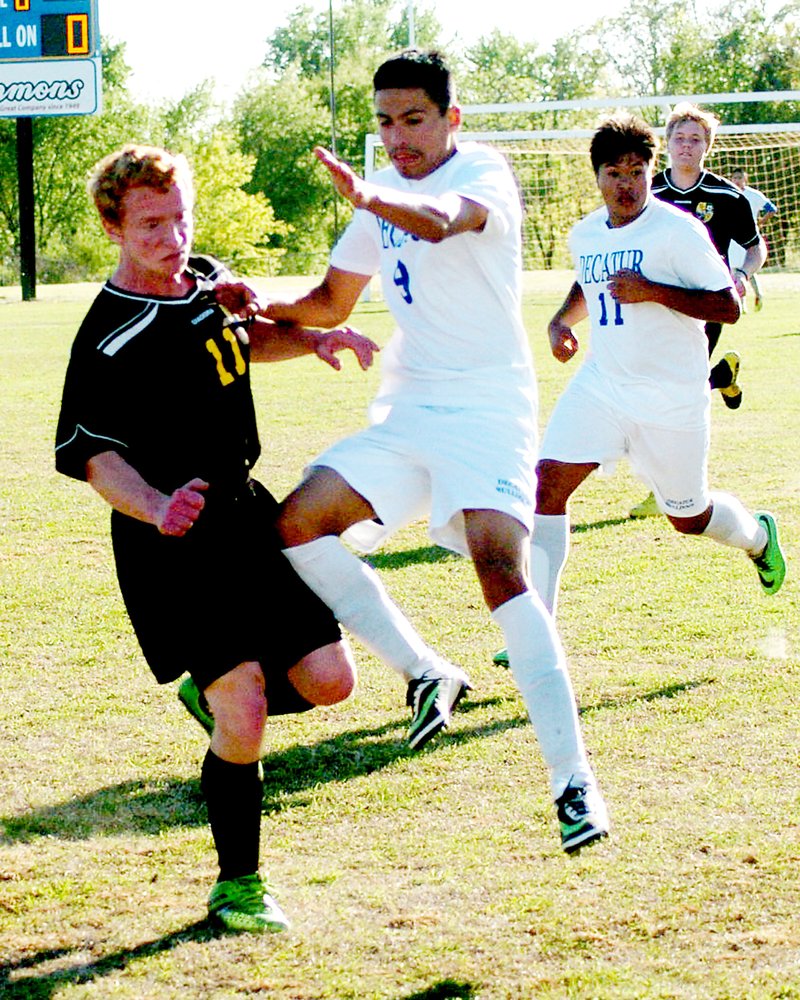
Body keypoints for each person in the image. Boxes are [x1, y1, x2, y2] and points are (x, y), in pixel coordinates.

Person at [227, 49, 609, 853]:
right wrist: (252, 299)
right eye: (385, 123)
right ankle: (428, 670)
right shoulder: (380, 202)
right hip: (412, 407)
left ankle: (573, 783)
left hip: (489, 407)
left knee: (498, 566)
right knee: (298, 522)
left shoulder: (481, 173)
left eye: (414, 120)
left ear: (451, 119)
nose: (397, 138)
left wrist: (373, 193)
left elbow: (440, 221)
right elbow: (329, 300)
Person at [54, 145, 379, 934]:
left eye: (180, 219)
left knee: (334, 681)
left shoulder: (204, 280)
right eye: (152, 226)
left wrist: (310, 341)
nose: (171, 239)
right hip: (171, 540)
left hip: (243, 514)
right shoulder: (106, 334)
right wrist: (157, 505)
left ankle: (215, 698)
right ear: (114, 227)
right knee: (248, 711)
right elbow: (95, 455)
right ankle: (239, 884)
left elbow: (238, 341)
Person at [520, 114, 786, 631]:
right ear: (596, 177)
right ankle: (537, 628)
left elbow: (727, 307)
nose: (627, 184)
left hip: (672, 399)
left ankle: (757, 536)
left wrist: (653, 290)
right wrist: (559, 322)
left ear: (651, 170)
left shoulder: (677, 231)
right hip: (604, 386)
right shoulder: (584, 234)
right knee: (546, 485)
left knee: (689, 518)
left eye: (638, 171)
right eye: (615, 173)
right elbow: (590, 283)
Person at [626, 102, 768, 519]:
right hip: (652, 302)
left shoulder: (728, 197)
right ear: (666, 143)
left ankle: (663, 489)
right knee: (659, 387)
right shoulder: (649, 194)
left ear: (708, 146)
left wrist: (741, 271)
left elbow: (756, 248)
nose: (686, 146)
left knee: (669, 392)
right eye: (679, 138)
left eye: (696, 139)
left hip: (704, 305)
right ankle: (721, 376)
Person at [729, 167, 778, 312]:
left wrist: (760, 222)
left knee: (746, 268)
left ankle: (757, 295)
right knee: (735, 269)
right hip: (733, 237)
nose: (736, 180)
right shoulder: (728, 193)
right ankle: (742, 304)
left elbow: (772, 209)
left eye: (739, 177)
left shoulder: (754, 195)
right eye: (734, 177)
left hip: (750, 237)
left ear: (745, 179)